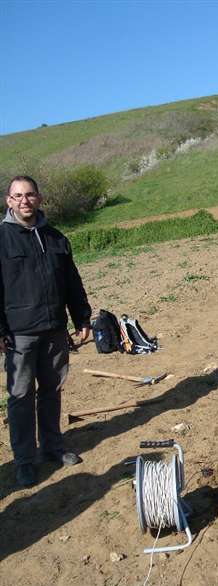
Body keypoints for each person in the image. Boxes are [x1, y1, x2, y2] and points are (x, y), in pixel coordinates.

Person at [0, 176, 92, 487]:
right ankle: (25, 460)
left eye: (29, 195)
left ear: (39, 199)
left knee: (51, 392)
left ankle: (53, 447)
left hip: (54, 328)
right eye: (17, 196)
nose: (24, 200)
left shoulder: (55, 238)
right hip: (19, 334)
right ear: (9, 201)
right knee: (21, 396)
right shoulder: (2, 239)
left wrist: (81, 317)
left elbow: (72, 282)